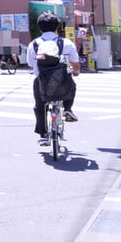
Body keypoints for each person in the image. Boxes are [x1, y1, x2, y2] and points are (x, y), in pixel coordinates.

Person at [27, 12, 81, 147]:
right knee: (72, 86)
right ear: (57, 27)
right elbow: (75, 64)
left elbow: (30, 64)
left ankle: (43, 135)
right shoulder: (66, 43)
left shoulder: (33, 44)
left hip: (41, 82)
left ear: (40, 28)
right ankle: (68, 109)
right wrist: (76, 71)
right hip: (62, 81)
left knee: (40, 106)